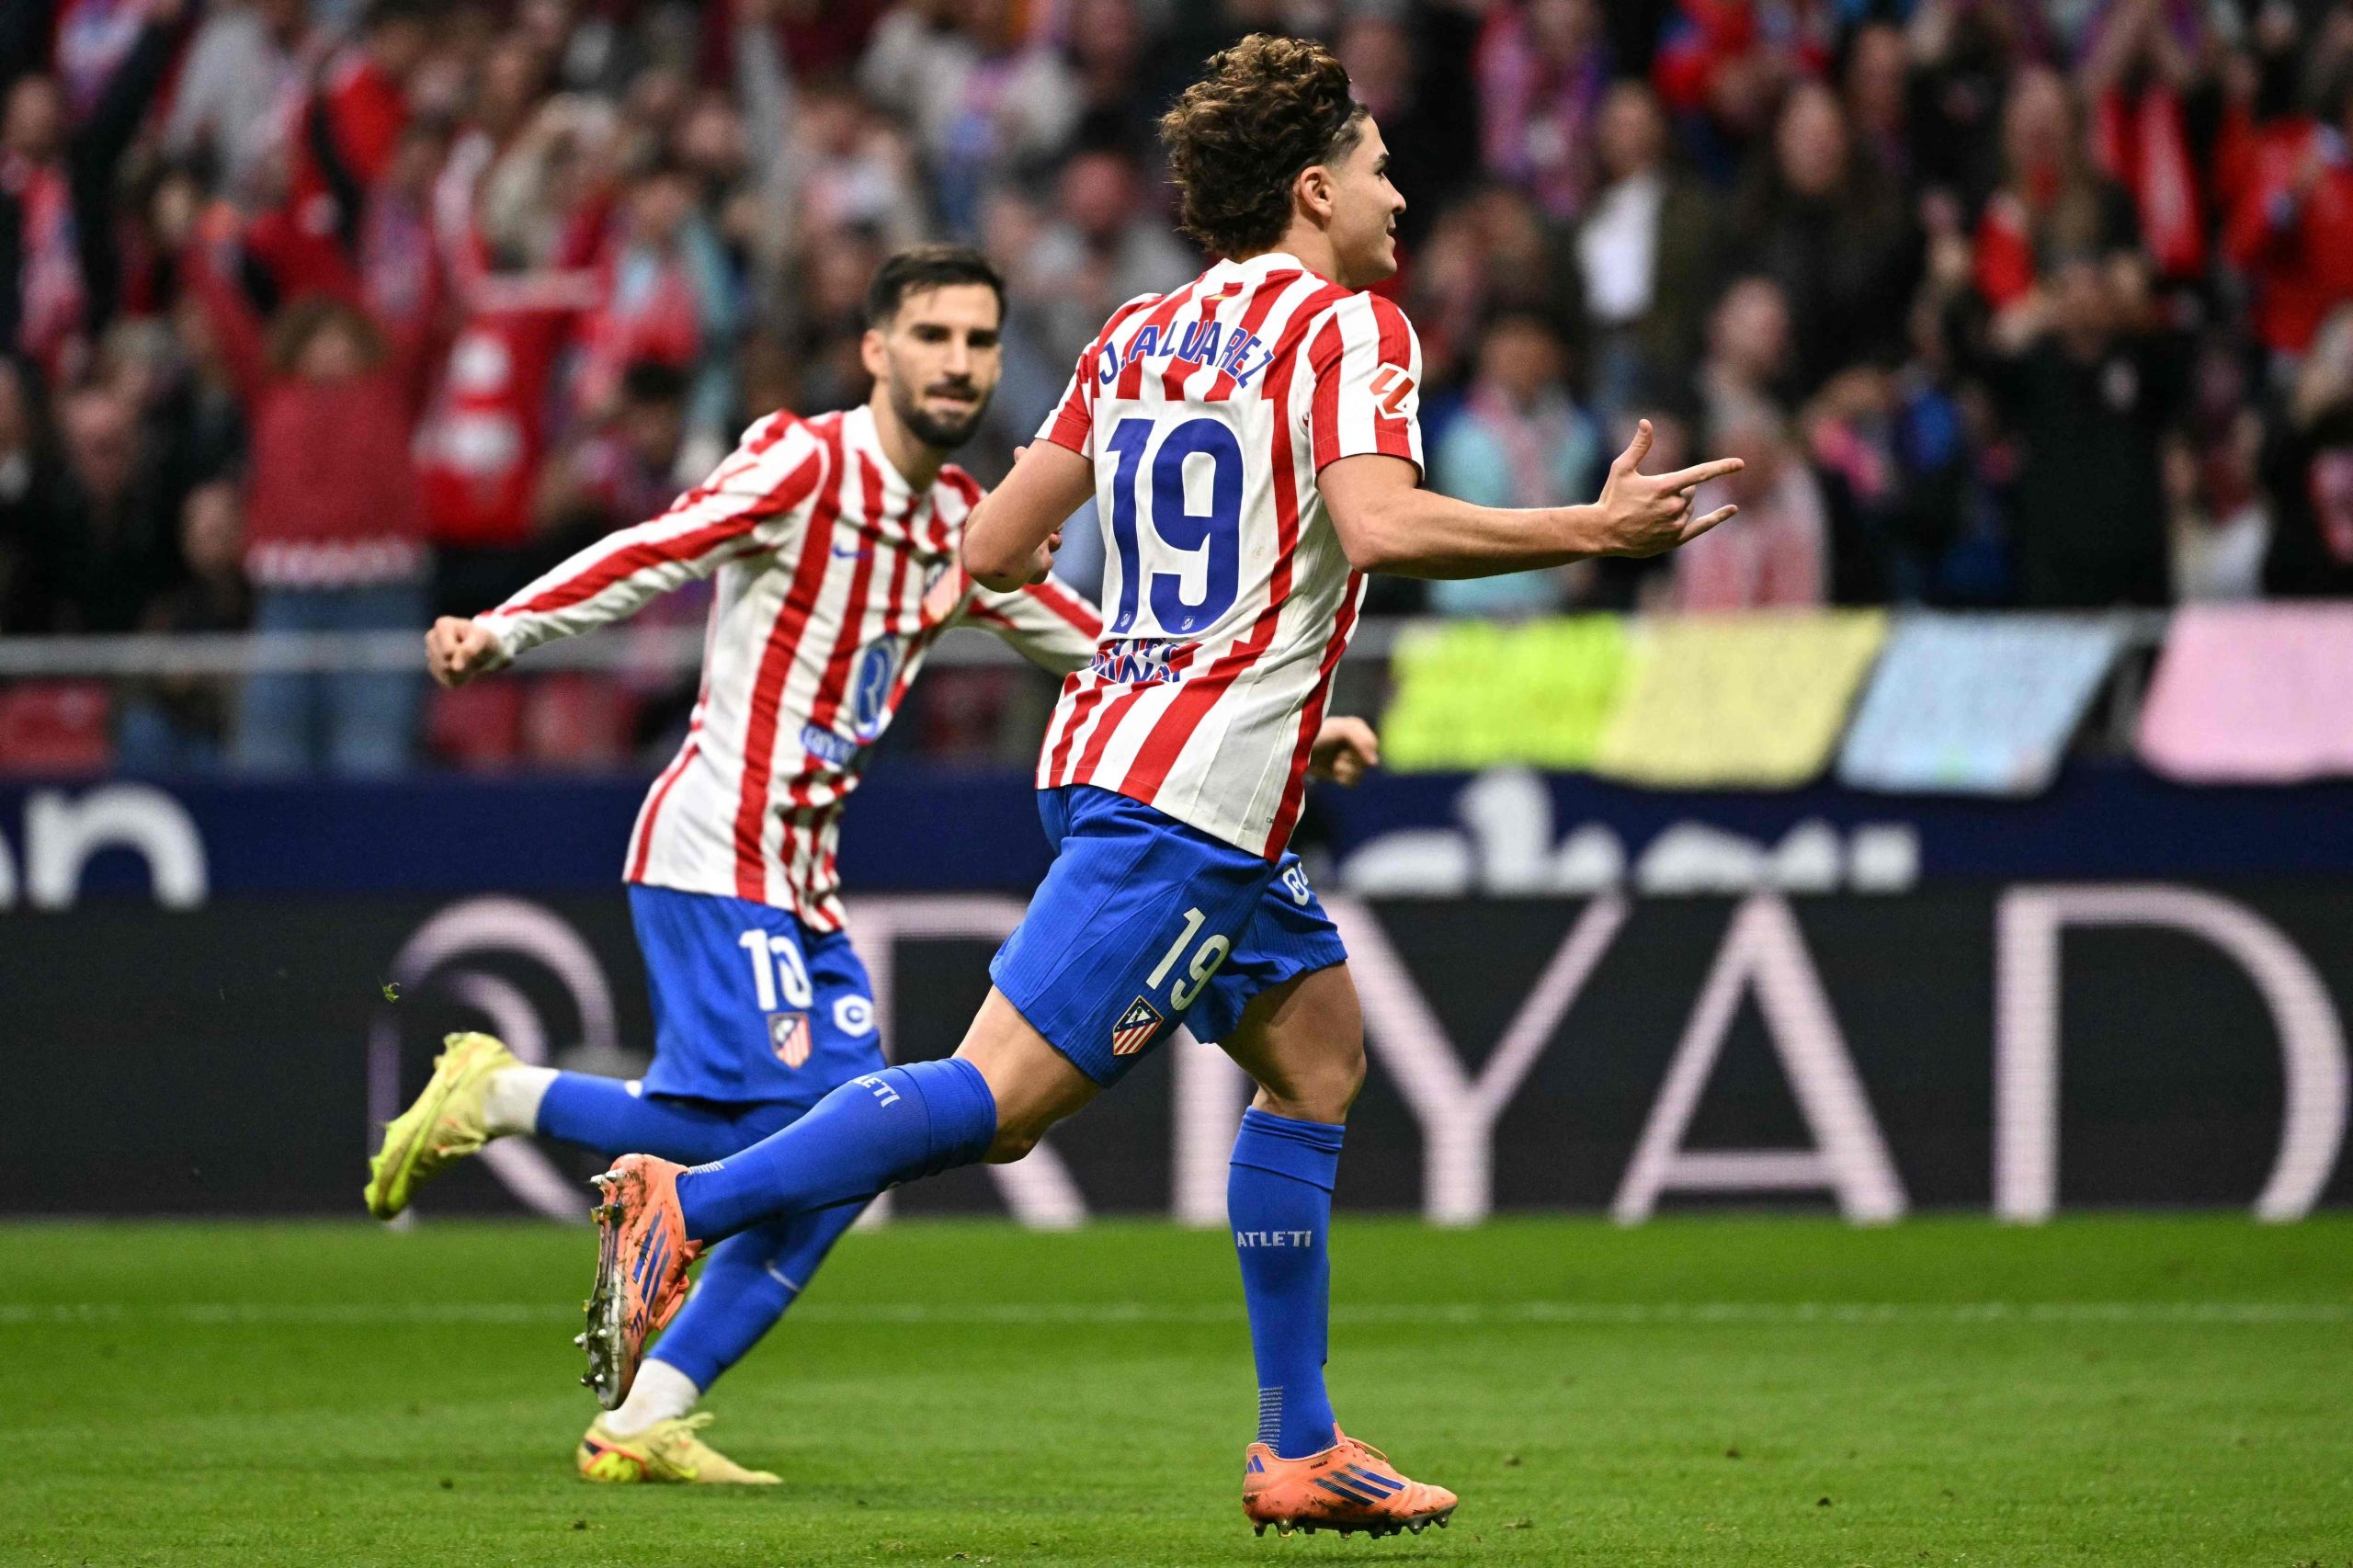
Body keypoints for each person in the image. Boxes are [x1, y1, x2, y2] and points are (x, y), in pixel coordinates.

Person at [570, 36, 1740, 1536]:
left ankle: (1300, 1444)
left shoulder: (1137, 333)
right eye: (1380, 166)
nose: (1401, 191)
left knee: (1316, 1054)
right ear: (1315, 191)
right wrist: (1590, 529)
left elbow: (986, 549)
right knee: (994, 1105)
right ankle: (689, 1198)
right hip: (1187, 802)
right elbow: (1376, 526)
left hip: (1143, 769)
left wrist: (1161, 626)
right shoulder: (1353, 327)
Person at [366, 243, 1383, 1484]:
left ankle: (626, 1388)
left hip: (804, 876)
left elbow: (1084, 638)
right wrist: (508, 626)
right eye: (933, 336)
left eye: (979, 342)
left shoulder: (964, 523)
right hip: (711, 845)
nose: (958, 363)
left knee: (841, 1152)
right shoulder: (803, 461)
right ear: (875, 350)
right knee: (796, 1126)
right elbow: (658, 547)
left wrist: (1277, 715)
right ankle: (532, 1133)